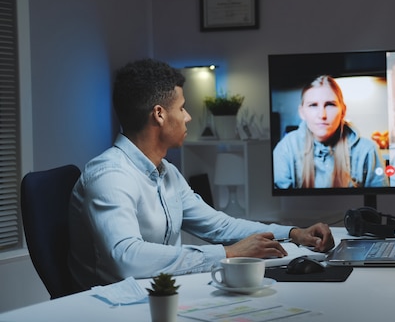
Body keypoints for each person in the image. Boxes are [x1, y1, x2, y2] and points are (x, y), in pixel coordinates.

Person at [68, 58, 335, 290]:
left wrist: (292, 232)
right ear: (159, 115)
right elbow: (126, 258)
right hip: (115, 308)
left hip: (161, 293)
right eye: (182, 108)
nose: (188, 118)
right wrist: (228, 253)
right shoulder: (110, 175)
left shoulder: (166, 172)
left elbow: (219, 226)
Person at [273, 75, 388, 189]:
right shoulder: (286, 149)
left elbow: (379, 202)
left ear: (343, 111)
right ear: (302, 112)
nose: (322, 115)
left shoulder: (367, 151)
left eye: (330, 105)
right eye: (313, 105)